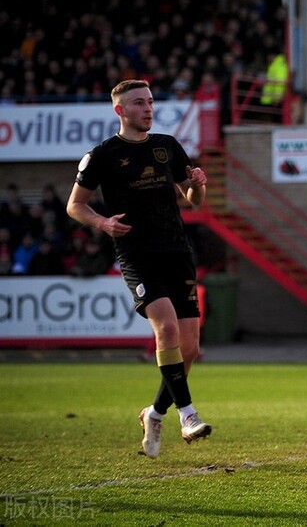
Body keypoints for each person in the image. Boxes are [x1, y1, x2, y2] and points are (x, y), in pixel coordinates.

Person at [66, 79, 212, 458]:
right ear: (120, 110)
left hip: (176, 251)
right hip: (137, 253)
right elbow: (75, 206)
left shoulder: (168, 146)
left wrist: (198, 185)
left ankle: (154, 413)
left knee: (190, 347)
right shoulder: (103, 155)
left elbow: (193, 199)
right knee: (166, 329)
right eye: (138, 103)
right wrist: (103, 223)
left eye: (149, 102)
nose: (147, 109)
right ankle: (188, 414)